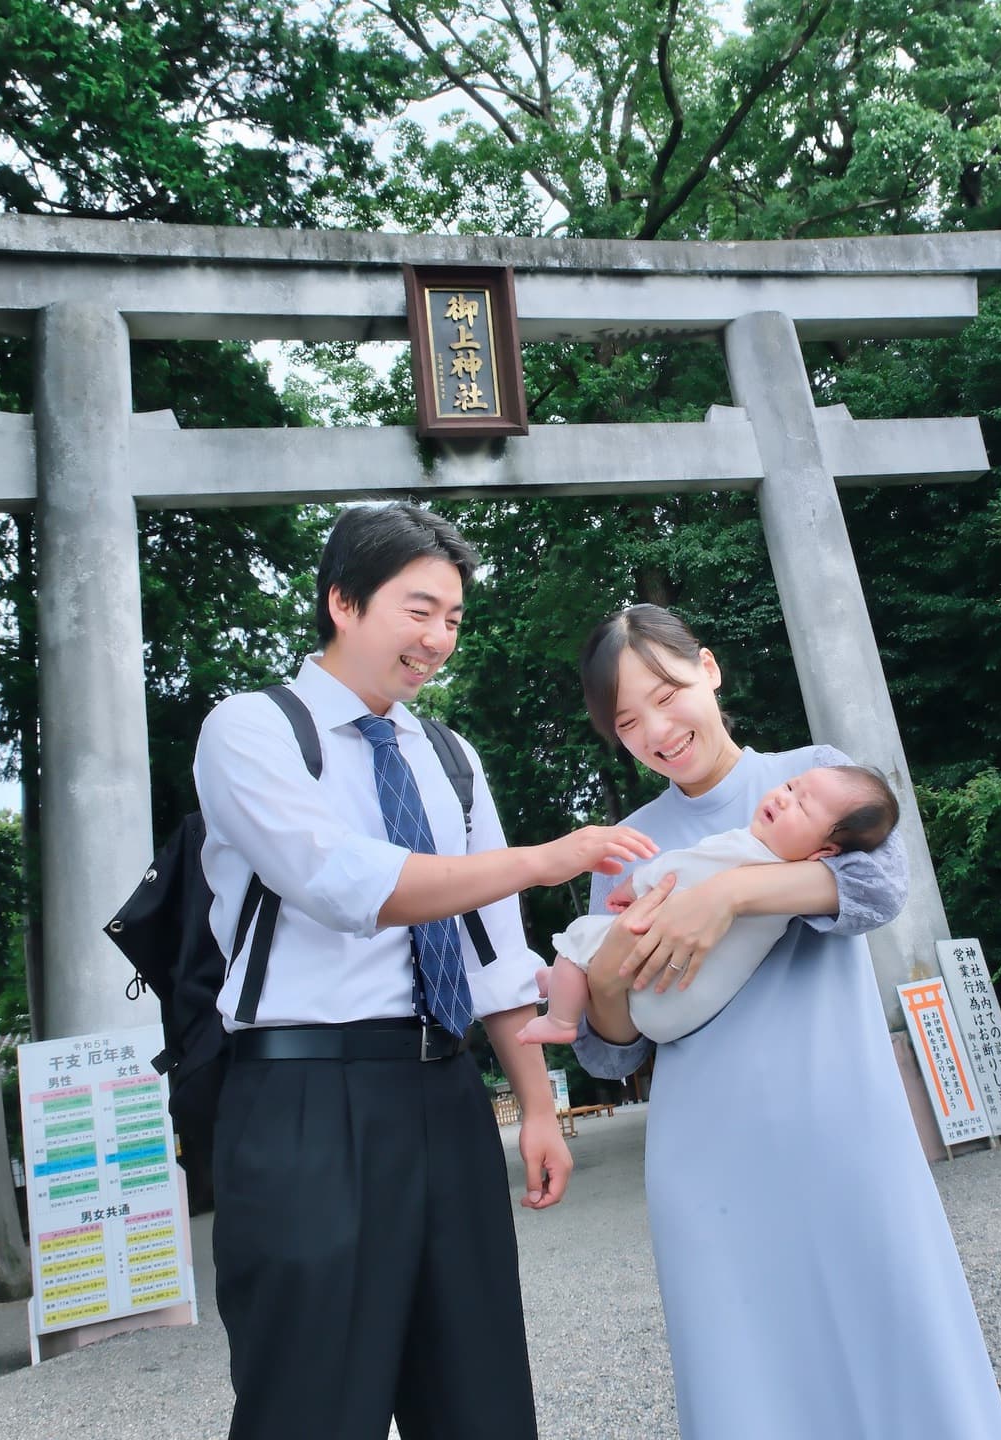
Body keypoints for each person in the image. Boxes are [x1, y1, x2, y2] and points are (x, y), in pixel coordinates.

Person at [192, 503, 657, 1440]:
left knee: (479, 1391)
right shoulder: (252, 729)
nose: (439, 638)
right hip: (305, 1099)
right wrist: (540, 856)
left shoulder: (447, 757)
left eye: (452, 617)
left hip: (446, 1092)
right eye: (419, 610)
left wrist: (535, 1107)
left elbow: (491, 945)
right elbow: (341, 883)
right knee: (312, 1400)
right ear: (343, 601)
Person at [570, 604, 1001, 1440]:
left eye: (667, 694)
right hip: (706, 1162)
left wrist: (729, 893)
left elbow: (880, 889)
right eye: (627, 721)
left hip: (848, 1128)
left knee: (902, 1355)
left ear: (709, 669)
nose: (657, 730)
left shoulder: (812, 776)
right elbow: (607, 1048)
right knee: (752, 1386)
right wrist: (601, 976)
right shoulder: (624, 846)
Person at [519, 764, 898, 1045]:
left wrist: (635, 884)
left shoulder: (747, 850)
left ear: (825, 851)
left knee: (580, 937)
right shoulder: (795, 891)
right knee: (596, 952)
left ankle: (561, 1019)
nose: (784, 798)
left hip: (652, 993)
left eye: (803, 807)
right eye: (789, 786)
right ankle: (564, 982)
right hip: (680, 1013)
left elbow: (679, 869)